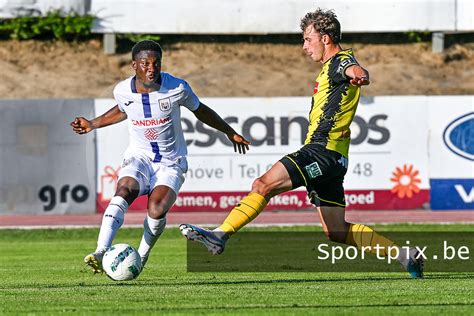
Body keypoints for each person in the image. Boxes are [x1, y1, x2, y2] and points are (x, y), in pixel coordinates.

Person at [179, 8, 424, 278]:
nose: (304, 46)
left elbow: (354, 69)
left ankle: (219, 235)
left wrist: (360, 74)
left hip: (320, 151)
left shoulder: (339, 62)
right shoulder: (330, 67)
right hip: (335, 158)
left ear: (326, 38)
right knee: (337, 231)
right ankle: (404, 255)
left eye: (308, 39)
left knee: (263, 185)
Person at [71, 40, 250, 274]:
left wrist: (229, 131)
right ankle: (100, 251)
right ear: (134, 65)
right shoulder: (122, 90)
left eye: (156, 63)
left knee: (156, 208)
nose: (151, 68)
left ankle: (142, 256)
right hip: (139, 157)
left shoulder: (177, 88)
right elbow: (122, 109)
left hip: (171, 161)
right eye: (145, 63)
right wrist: (92, 124)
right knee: (124, 189)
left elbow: (201, 110)